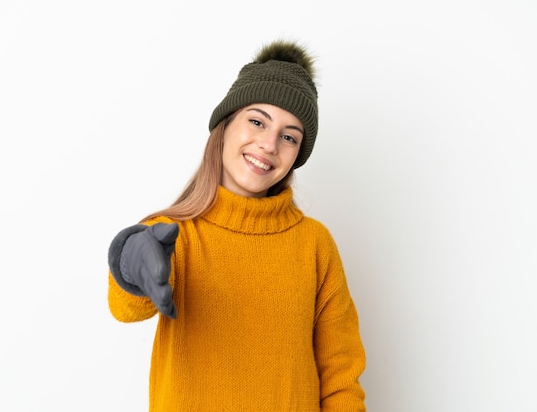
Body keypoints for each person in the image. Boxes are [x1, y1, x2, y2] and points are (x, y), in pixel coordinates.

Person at [107, 39, 367, 411]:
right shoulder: (171, 234)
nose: (269, 144)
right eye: (257, 121)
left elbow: (341, 377)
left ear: (297, 154)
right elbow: (125, 307)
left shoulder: (314, 245)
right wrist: (129, 262)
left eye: (289, 136)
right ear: (226, 124)